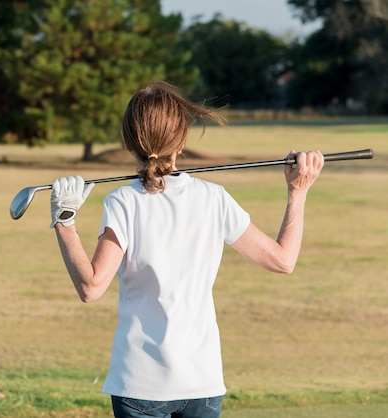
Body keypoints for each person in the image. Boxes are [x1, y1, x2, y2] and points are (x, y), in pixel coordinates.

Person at [49, 80, 324, 418]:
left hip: (140, 386)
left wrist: (64, 220)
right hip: (202, 384)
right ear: (182, 139)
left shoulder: (123, 201)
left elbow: (91, 288)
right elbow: (283, 260)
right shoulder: (214, 198)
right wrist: (298, 191)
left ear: (127, 140)